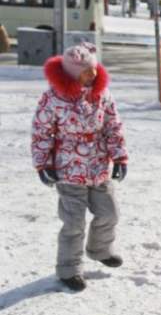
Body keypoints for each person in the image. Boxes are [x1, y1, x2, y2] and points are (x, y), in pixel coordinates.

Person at [31, 42, 128, 291]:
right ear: (74, 73)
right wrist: (43, 163)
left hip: (98, 165)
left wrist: (119, 156)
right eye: (87, 71)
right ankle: (68, 268)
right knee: (73, 222)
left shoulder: (102, 93)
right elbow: (42, 131)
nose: (93, 75)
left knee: (109, 213)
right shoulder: (53, 97)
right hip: (68, 169)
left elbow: (112, 126)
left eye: (94, 69)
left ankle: (100, 249)